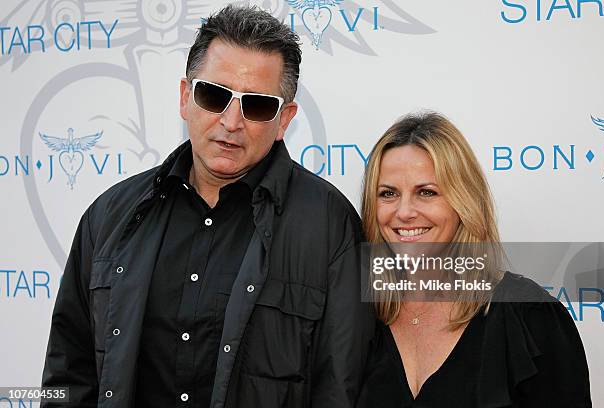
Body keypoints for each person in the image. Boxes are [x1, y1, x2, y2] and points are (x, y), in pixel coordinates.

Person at [42, 5, 374, 407]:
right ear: (186, 98)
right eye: (214, 96)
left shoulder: (329, 225)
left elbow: (340, 388)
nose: (231, 122)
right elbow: (69, 373)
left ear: (284, 119)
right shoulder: (110, 215)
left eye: (256, 105)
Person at [357, 112, 591, 407]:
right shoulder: (356, 315)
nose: (404, 212)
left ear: (463, 202)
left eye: (427, 192)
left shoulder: (528, 315)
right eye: (388, 193)